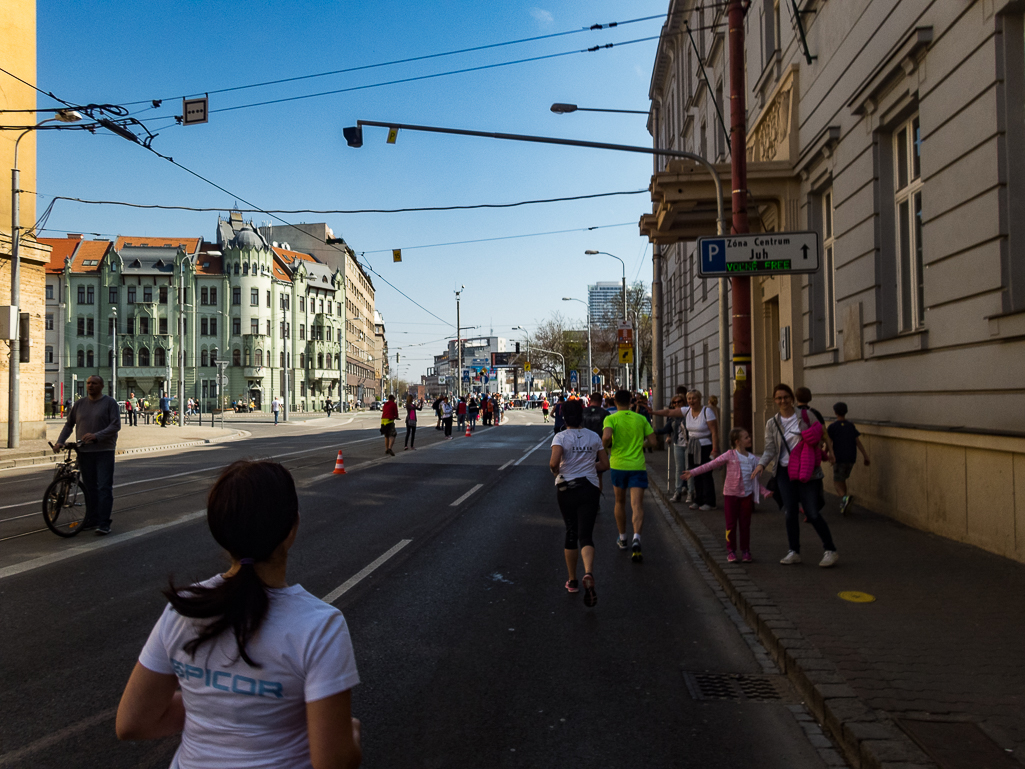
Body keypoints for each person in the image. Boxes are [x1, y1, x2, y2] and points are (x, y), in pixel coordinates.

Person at [116, 460, 362, 768]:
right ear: (292, 528)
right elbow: (333, 762)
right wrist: (349, 734)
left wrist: (210, 704)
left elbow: (132, 723)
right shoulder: (320, 626)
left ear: (220, 531)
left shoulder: (184, 608)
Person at [752, 383, 839, 568]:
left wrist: (831, 453)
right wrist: (761, 464)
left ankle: (830, 550)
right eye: (779, 398)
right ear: (775, 401)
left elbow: (823, 434)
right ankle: (794, 551)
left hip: (807, 472)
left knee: (812, 512)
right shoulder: (772, 423)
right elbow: (770, 448)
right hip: (784, 472)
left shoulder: (806, 416)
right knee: (790, 512)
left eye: (785, 397)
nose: (783, 401)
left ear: (792, 398)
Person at [549, 399, 610, 607]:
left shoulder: (560, 437)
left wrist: (557, 472)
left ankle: (573, 580)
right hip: (590, 488)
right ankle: (589, 572)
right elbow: (605, 464)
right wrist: (588, 465)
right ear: (581, 415)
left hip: (567, 489)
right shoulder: (593, 437)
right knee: (586, 535)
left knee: (571, 532)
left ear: (564, 417)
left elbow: (553, 463)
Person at [684, 428, 770, 563]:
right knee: (730, 524)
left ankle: (746, 550)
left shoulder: (754, 459)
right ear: (738, 442)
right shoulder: (730, 455)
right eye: (746, 437)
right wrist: (692, 472)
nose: (749, 439)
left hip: (746, 497)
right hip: (730, 496)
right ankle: (731, 551)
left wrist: (765, 492)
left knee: (745, 524)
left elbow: (755, 481)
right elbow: (710, 465)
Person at [53, 375, 121, 535]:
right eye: (88, 383)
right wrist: (60, 441)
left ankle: (104, 523)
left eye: (94, 383)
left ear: (102, 386)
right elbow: (69, 424)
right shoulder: (80, 404)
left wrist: (97, 435)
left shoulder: (109, 403)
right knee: (90, 488)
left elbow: (115, 425)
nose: (90, 385)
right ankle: (92, 519)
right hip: (84, 451)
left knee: (104, 487)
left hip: (104, 451)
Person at [602, 389, 657, 563]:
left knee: (619, 502)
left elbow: (606, 437)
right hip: (637, 466)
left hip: (618, 465)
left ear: (616, 402)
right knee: (637, 504)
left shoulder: (611, 418)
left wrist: (607, 447)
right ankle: (637, 538)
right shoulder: (640, 419)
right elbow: (654, 442)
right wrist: (641, 444)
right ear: (631, 401)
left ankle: (623, 537)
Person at [653, 390, 719, 510]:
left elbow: (714, 432)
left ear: (699, 399)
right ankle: (697, 500)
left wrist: (714, 449)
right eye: (689, 399)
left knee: (705, 474)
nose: (691, 401)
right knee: (694, 473)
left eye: (693, 398)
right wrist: (653, 412)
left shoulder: (707, 412)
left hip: (705, 445)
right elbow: (669, 411)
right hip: (692, 445)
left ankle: (709, 502)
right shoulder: (687, 410)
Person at [827, 402, 871, 514]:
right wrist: (865, 456)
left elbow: (829, 442)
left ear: (835, 412)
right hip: (851, 458)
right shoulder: (851, 426)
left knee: (837, 482)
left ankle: (844, 498)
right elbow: (858, 442)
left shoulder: (833, 427)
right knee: (843, 479)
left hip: (839, 458)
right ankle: (845, 504)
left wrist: (826, 454)